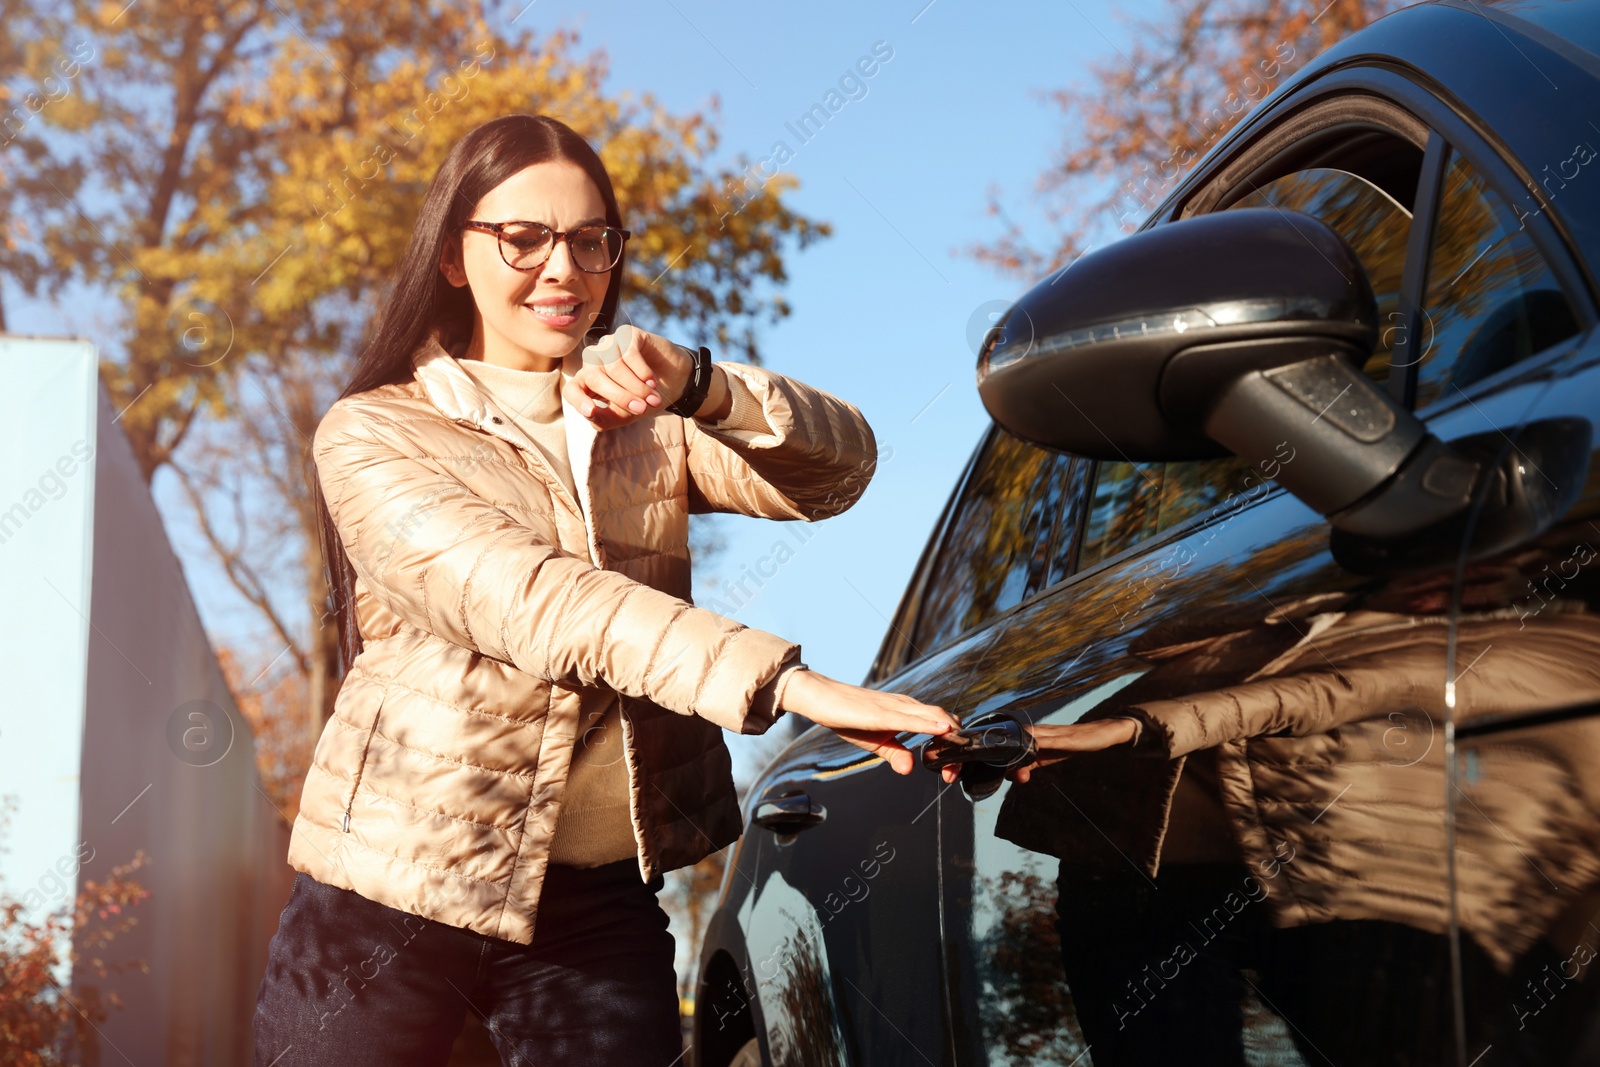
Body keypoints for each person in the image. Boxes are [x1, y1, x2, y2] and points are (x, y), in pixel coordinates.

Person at [252, 113, 960, 1067]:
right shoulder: (375, 433)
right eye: (523, 238)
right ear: (455, 257)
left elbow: (839, 472)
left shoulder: (642, 421)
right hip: (390, 893)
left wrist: (701, 383)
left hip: (590, 902)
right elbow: (538, 602)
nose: (564, 269)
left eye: (591, 241)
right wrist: (785, 683)